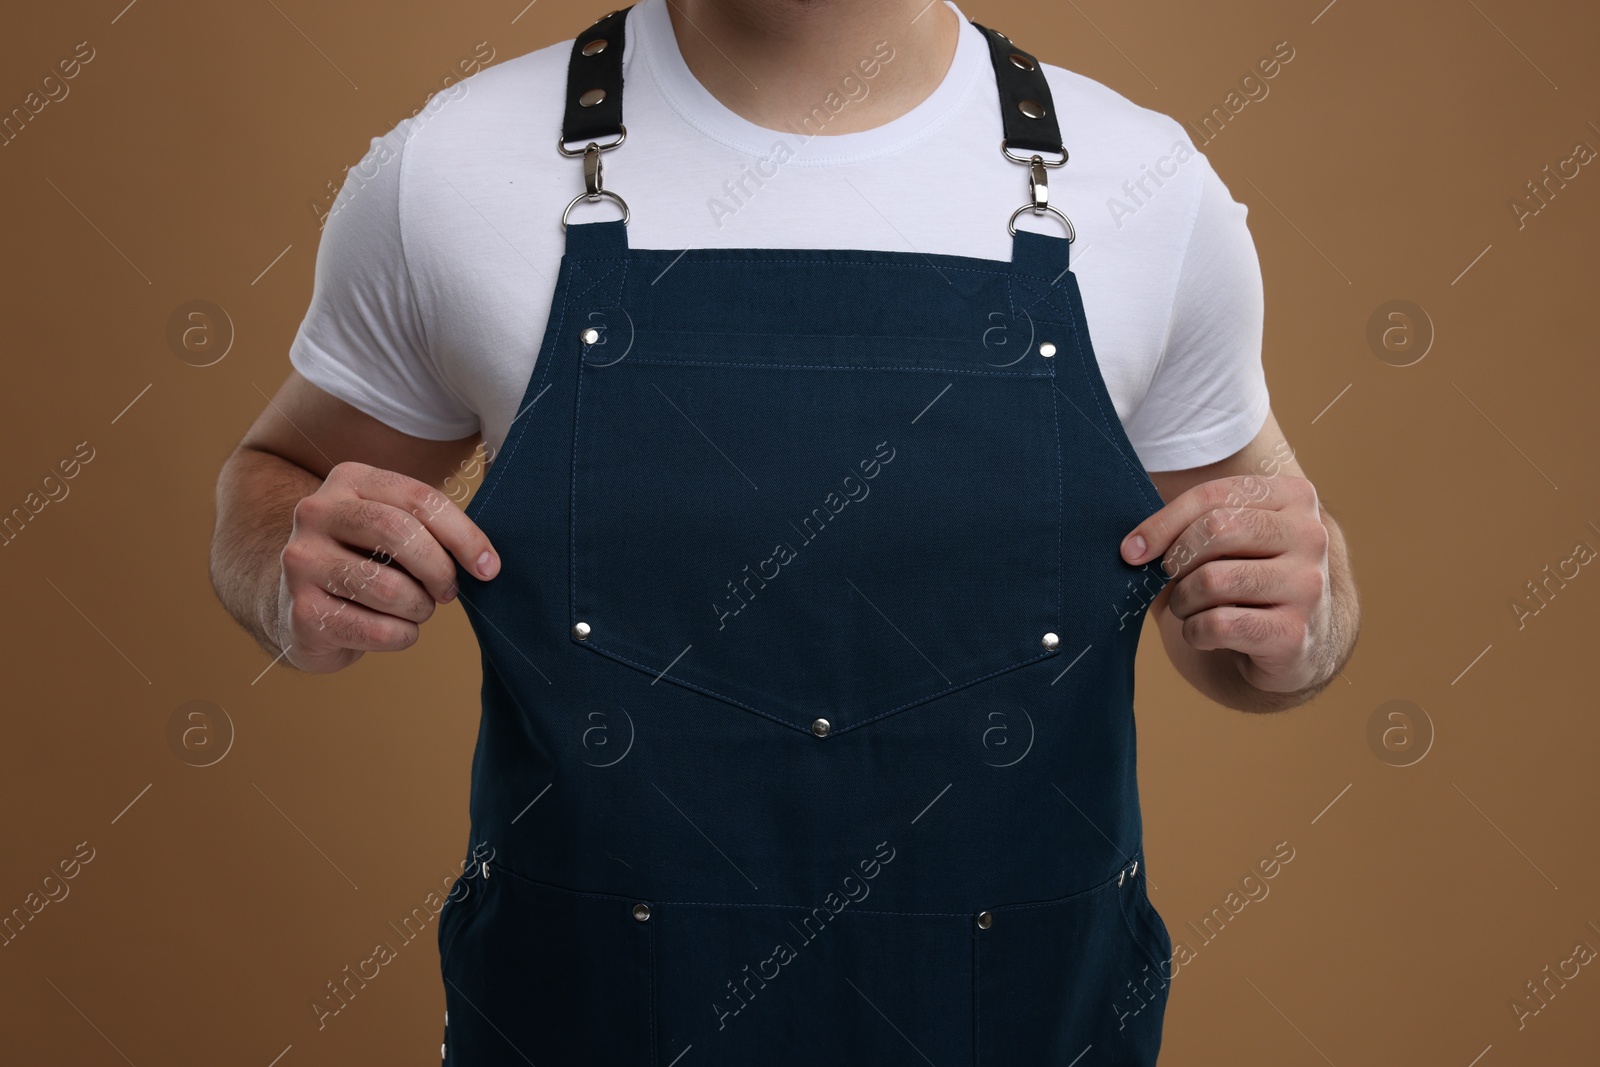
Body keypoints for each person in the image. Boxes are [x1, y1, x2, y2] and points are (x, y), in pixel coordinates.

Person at [209, 1, 1360, 1063]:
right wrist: (283, 578)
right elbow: (282, 477)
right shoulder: (451, 172)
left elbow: (1264, 623)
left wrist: (1305, 626)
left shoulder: (1145, 191)